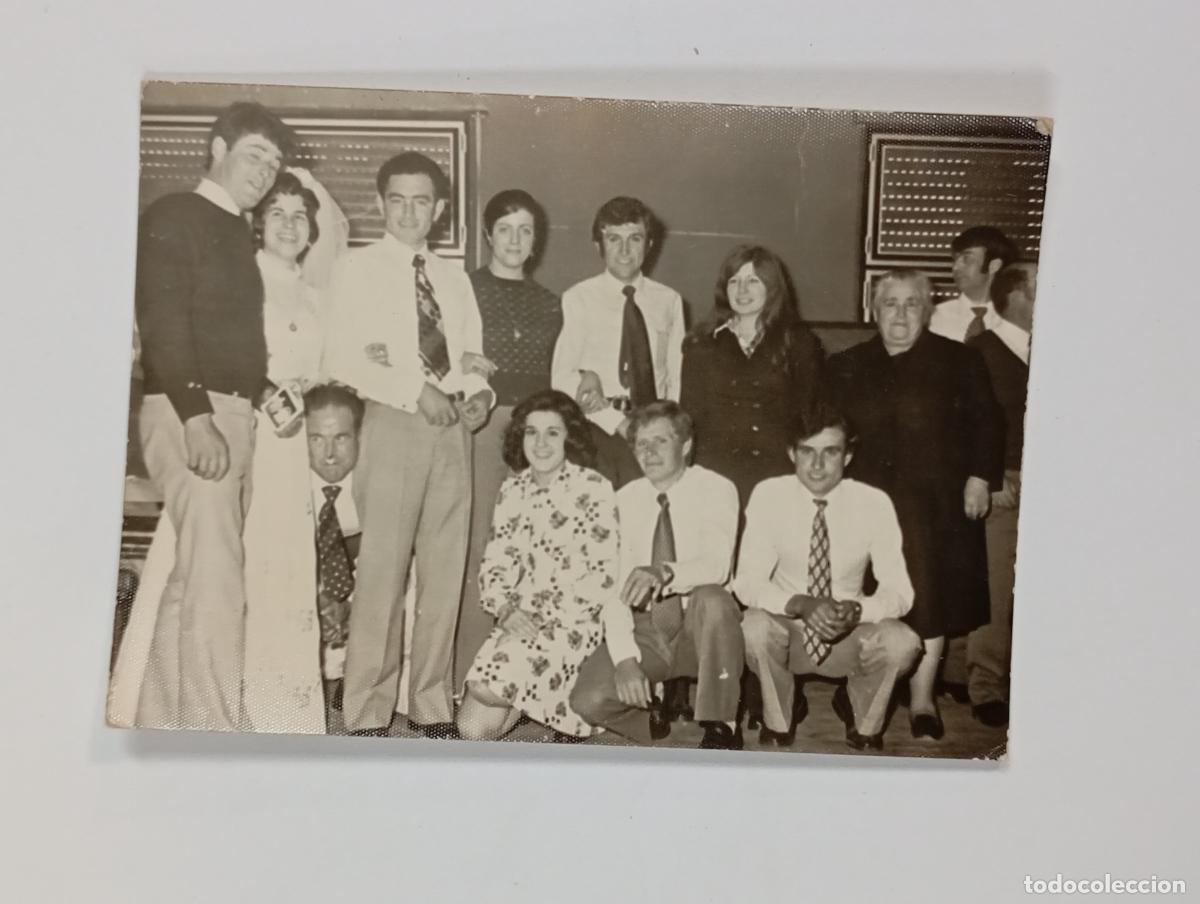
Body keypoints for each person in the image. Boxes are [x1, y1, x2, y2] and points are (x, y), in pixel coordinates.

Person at [115, 167, 346, 733]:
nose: (289, 226)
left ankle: (271, 713)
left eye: (300, 216)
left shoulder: (317, 297)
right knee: (211, 574)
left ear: (313, 230)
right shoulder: (240, 279)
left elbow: (323, 369)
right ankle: (193, 710)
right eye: (277, 214)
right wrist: (263, 392)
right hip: (241, 432)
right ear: (258, 225)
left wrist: (306, 396)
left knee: (279, 571)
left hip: (291, 449)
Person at [133, 102, 294, 730]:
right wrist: (198, 417)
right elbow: (165, 322)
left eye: (275, 162)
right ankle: (214, 732)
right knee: (217, 586)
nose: (265, 171)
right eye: (256, 154)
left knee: (193, 581)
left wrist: (262, 392)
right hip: (192, 415)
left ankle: (160, 719)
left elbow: (222, 336)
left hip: (225, 411)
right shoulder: (178, 214)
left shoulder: (232, 227)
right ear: (217, 148)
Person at [322, 151, 493, 737]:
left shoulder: (454, 277)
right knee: (384, 571)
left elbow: (471, 356)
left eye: (422, 200)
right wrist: (414, 387)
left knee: (445, 572)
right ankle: (367, 706)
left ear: (439, 209)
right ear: (380, 203)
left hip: (452, 434)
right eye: (398, 199)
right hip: (391, 424)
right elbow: (345, 357)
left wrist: (479, 396)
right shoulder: (355, 269)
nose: (410, 211)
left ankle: (430, 702)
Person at [826, 269, 1004, 740]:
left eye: (911, 304)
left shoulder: (960, 360)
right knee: (864, 591)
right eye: (890, 303)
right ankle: (862, 688)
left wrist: (979, 478)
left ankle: (923, 699)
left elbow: (987, 425)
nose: (900, 314)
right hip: (865, 503)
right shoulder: (846, 364)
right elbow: (828, 433)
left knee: (930, 595)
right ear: (873, 309)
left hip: (935, 506)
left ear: (926, 310)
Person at [736, 406, 922, 751]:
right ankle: (780, 716)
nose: (817, 465)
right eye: (807, 452)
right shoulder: (768, 494)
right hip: (788, 631)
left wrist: (856, 610)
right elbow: (747, 581)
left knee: (903, 642)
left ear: (848, 456)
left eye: (830, 452)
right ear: (792, 453)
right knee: (753, 627)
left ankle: (860, 712)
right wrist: (800, 603)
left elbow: (900, 592)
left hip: (847, 632)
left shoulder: (874, 502)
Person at [570, 401, 744, 749]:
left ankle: (721, 723)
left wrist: (663, 572)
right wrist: (625, 660)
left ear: (685, 445)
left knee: (713, 598)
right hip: (647, 628)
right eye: (640, 444)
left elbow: (717, 565)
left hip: (701, 627)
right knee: (587, 700)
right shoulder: (622, 500)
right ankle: (649, 715)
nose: (648, 452)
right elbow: (614, 588)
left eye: (659, 441)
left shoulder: (716, 488)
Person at [456, 390, 619, 742]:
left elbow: (604, 576)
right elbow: (495, 562)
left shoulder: (593, 488)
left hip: (572, 622)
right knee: (470, 729)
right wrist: (505, 609)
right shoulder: (512, 490)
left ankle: (551, 712)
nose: (541, 443)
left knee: (488, 691)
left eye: (553, 433)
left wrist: (547, 617)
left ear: (569, 438)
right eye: (531, 432)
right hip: (519, 619)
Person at [680, 244, 824, 508]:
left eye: (753, 281)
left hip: (776, 474)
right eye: (734, 281)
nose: (742, 290)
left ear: (772, 288)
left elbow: (808, 415)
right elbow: (689, 416)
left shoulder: (800, 344)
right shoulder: (700, 344)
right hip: (715, 475)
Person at [551, 196, 685, 452]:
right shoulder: (578, 297)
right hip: (598, 427)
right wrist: (617, 422)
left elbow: (676, 375)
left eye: (634, 238)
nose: (624, 250)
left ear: (649, 245)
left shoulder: (669, 301)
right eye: (614, 239)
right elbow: (562, 376)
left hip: (654, 431)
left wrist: (668, 428)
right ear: (598, 246)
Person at [963, 263, 1036, 728]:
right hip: (1002, 484)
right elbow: (964, 427)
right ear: (1015, 297)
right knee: (996, 589)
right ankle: (985, 687)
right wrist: (990, 479)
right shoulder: (980, 352)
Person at [304, 384, 365, 717]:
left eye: (341, 438)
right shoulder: (287, 483)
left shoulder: (375, 481)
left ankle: (358, 671)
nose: (329, 453)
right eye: (317, 439)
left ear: (358, 437)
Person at [929, 226, 1018, 343]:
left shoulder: (1016, 322)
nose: (956, 267)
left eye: (967, 259)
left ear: (994, 266)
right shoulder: (932, 319)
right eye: (955, 259)